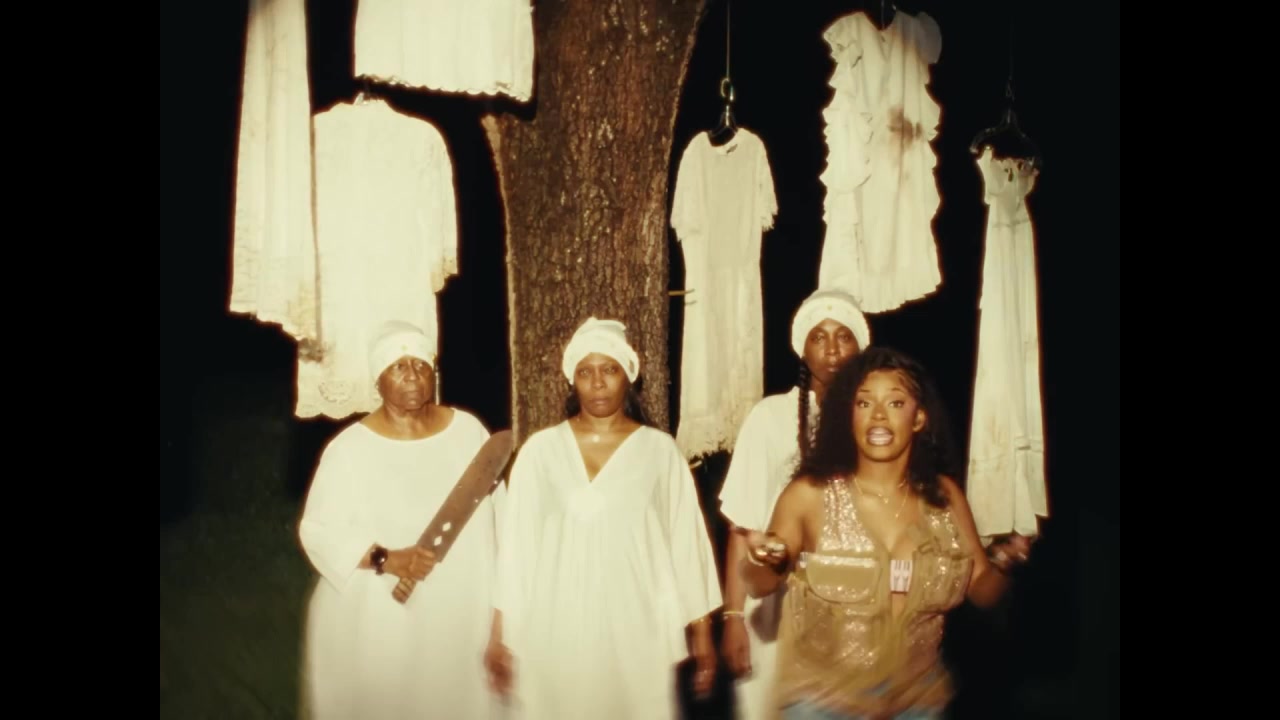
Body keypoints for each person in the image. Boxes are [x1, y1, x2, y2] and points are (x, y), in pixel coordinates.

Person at [740, 347, 1033, 720]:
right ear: (849, 415)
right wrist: (766, 559)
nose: (878, 415)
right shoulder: (810, 495)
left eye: (895, 403)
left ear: (919, 417)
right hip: (822, 703)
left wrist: (1006, 560)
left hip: (918, 703)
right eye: (864, 403)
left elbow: (982, 588)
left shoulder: (945, 498)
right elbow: (758, 585)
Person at [486, 317, 723, 719]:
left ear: (627, 375)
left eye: (609, 369)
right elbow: (517, 549)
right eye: (586, 372)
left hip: (637, 623)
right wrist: (500, 635)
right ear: (572, 380)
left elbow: (686, 541)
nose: (597, 383)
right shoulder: (541, 451)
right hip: (556, 625)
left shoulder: (659, 451)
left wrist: (702, 633)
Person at [297, 320, 506, 719]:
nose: (412, 375)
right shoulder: (350, 450)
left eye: (421, 365)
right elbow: (319, 531)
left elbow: (502, 520)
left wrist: (501, 617)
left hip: (463, 611)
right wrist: (387, 559)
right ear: (378, 380)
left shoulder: (469, 433)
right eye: (398, 366)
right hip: (382, 616)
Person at [718, 288, 871, 720]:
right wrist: (733, 617)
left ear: (860, 346)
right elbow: (742, 527)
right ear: (803, 349)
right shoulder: (770, 417)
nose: (832, 349)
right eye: (818, 337)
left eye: (843, 336)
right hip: (773, 603)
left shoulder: (874, 418)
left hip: (854, 602)